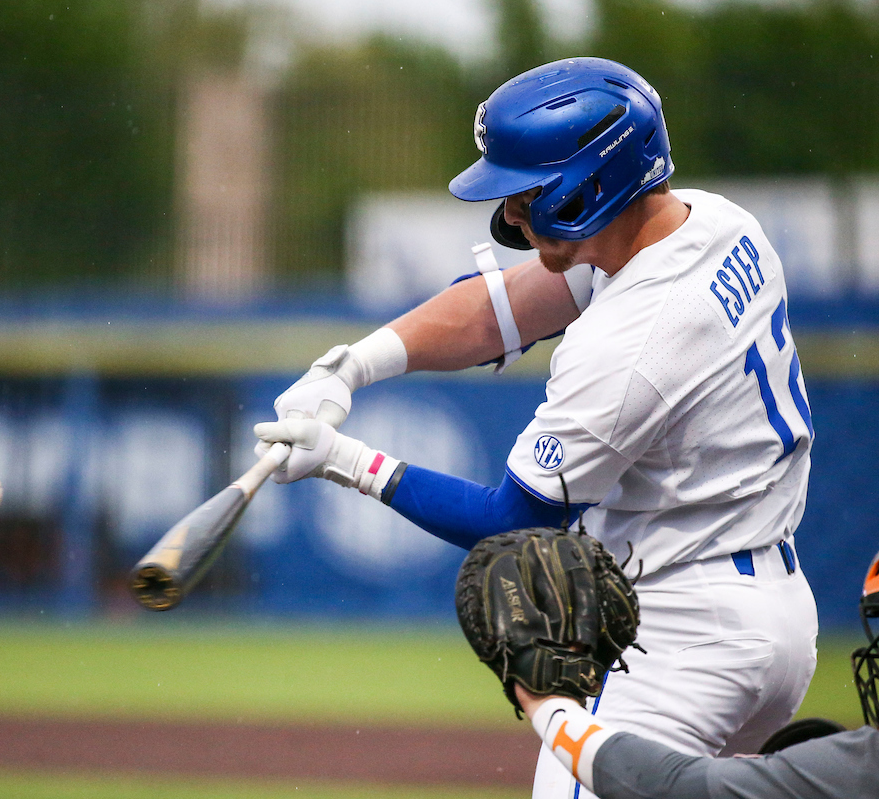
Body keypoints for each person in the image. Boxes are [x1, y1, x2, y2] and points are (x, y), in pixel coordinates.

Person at [253, 57, 819, 799]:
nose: (511, 215)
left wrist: (346, 462)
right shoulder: (710, 221)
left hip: (683, 636)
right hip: (773, 617)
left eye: (525, 194)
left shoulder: (629, 344)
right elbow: (501, 307)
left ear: (590, 185)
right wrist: (353, 365)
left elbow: (513, 522)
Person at [507, 549, 879, 799]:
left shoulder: (864, 765)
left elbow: (667, 786)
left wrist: (551, 708)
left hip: (697, 618)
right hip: (786, 612)